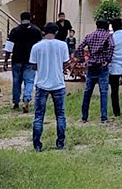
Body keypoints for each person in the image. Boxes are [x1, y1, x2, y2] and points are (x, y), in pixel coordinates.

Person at [29, 22, 71, 152]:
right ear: (56, 32)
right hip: (58, 83)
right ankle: (60, 142)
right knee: (60, 115)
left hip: (42, 83)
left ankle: (37, 144)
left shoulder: (36, 46)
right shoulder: (62, 45)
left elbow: (33, 65)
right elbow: (65, 63)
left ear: (44, 32)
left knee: (39, 116)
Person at [78, 19, 115, 123]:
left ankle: (84, 117)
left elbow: (80, 47)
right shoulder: (108, 36)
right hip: (102, 65)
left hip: (91, 65)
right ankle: (103, 117)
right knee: (103, 92)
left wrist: (83, 60)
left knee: (87, 92)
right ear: (106, 26)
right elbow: (112, 46)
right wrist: (108, 59)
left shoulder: (90, 35)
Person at [8, 11, 43, 113]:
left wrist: (6, 60)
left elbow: (9, 46)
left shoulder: (15, 31)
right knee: (29, 81)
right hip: (30, 60)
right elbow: (39, 46)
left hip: (17, 60)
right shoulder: (36, 30)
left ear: (20, 18)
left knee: (16, 81)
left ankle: (15, 102)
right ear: (30, 18)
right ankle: (26, 99)